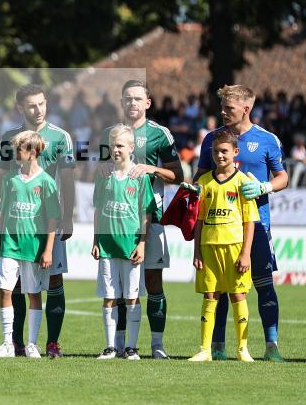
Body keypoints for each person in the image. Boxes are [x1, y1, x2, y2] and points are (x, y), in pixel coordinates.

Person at [195, 85, 288, 362]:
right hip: (220, 228)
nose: (223, 112)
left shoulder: (267, 139)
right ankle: (218, 346)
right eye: (222, 107)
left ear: (246, 109)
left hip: (256, 226)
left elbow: (282, 177)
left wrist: (265, 188)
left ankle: (271, 345)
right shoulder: (212, 139)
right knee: (220, 287)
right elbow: (200, 175)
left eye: (229, 108)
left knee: (262, 283)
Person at [0, 83, 74, 358]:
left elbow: (67, 181)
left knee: (54, 280)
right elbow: (0, 179)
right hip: (17, 225)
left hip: (47, 224)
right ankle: (18, 343)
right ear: (20, 107)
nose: (38, 109)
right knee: (18, 285)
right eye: (32, 105)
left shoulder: (61, 137)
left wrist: (67, 218)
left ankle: (52, 343)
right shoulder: (11, 137)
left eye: (42, 103)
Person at [98, 80, 182, 359]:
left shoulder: (160, 134)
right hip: (117, 224)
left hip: (150, 219)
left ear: (148, 103)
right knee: (120, 287)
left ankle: (157, 344)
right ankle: (118, 345)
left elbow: (178, 176)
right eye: (127, 99)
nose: (132, 103)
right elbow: (102, 171)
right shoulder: (110, 134)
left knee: (153, 282)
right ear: (121, 103)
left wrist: (150, 168)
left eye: (137, 99)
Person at [188, 130, 259, 363]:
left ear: (235, 153)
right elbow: (198, 220)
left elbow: (250, 221)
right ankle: (205, 350)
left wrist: (246, 253)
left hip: (235, 247)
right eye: (216, 151)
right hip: (209, 246)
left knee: (238, 295)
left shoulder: (243, 183)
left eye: (225, 151)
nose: (220, 155)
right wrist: (196, 250)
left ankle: (242, 349)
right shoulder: (204, 182)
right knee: (210, 295)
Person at [0, 131, 60, 358]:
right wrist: (0, 242)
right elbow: (3, 214)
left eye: (19, 148)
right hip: (10, 244)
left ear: (32, 152)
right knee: (5, 290)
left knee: (33, 294)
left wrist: (48, 249)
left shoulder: (47, 182)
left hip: (34, 248)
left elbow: (52, 220)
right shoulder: (10, 179)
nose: (15, 152)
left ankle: (32, 344)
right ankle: (7, 343)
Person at [92, 126, 155, 360]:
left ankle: (131, 347)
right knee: (109, 296)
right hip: (107, 245)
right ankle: (110, 347)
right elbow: (98, 209)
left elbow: (145, 213)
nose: (115, 150)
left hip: (130, 245)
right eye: (112, 145)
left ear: (131, 147)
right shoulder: (104, 174)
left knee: (131, 296)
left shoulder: (140, 177)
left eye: (120, 145)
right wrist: (96, 240)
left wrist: (142, 243)